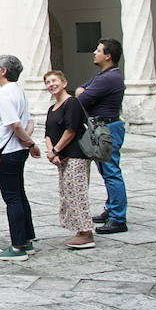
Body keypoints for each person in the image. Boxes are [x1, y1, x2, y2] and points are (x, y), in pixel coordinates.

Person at [0, 55, 40, 261]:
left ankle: (18, 246)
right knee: (19, 193)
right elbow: (29, 122)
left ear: (4, 71)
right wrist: (28, 142)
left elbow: (15, 124)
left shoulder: (4, 94)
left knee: (12, 198)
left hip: (6, 151)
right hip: (16, 149)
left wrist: (31, 143)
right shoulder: (19, 91)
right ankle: (26, 239)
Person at [77, 38, 129, 235]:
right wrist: (85, 90)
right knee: (107, 171)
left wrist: (85, 92)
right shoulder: (104, 75)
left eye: (98, 50)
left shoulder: (108, 78)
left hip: (107, 129)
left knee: (111, 172)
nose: (94, 53)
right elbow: (83, 88)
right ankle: (111, 208)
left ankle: (118, 218)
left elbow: (82, 97)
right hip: (101, 128)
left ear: (108, 56)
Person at [44, 70, 96, 250]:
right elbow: (48, 133)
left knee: (77, 192)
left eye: (54, 81)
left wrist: (56, 150)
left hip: (76, 155)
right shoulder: (52, 108)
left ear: (64, 83)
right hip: (61, 158)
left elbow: (71, 130)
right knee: (67, 193)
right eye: (48, 82)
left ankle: (86, 232)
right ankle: (79, 229)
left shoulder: (71, 103)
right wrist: (51, 151)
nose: (51, 84)